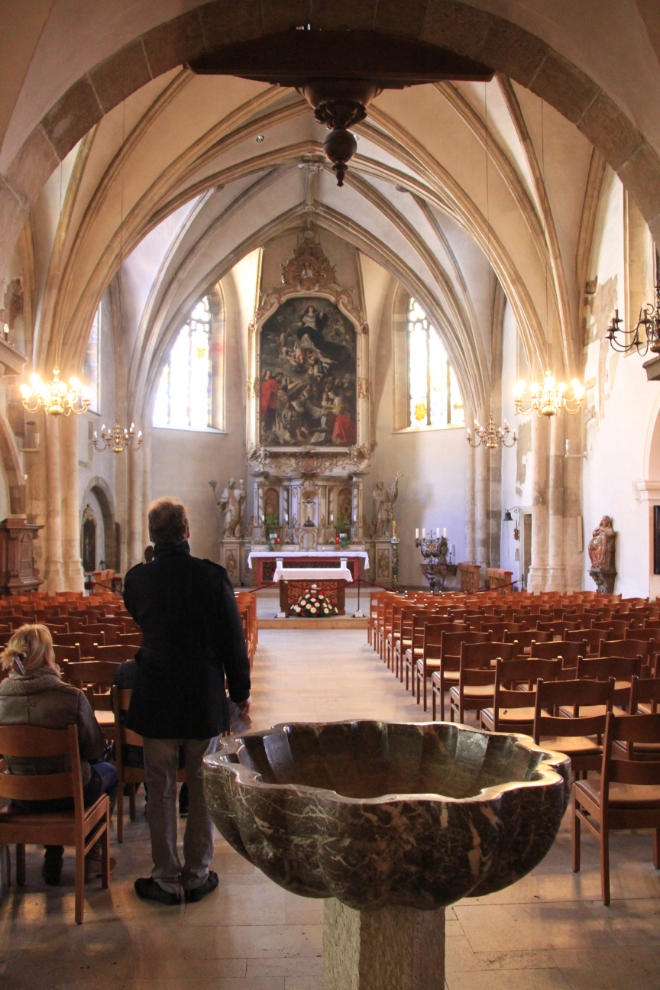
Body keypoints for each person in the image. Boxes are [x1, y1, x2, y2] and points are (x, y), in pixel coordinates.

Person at [123, 496, 251, 906]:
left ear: (151, 534)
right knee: (202, 787)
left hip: (156, 696)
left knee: (158, 789)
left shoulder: (136, 579)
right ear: (188, 531)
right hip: (202, 698)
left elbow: (140, 617)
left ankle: (164, 877)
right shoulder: (212, 577)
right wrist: (241, 693)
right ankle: (197, 875)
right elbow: (233, 641)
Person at [0, 624, 118, 885]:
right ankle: (92, 856)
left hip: (21, 798)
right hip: (69, 795)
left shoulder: (1, 698)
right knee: (110, 774)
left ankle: (52, 856)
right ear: (45, 657)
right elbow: (94, 748)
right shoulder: (69, 697)